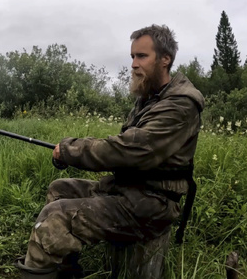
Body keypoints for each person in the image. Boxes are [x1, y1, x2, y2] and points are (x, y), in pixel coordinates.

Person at [15, 24, 205, 278]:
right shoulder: (150, 97)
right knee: (60, 188)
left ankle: (39, 270)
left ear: (165, 59)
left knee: (55, 216)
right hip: (129, 189)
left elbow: (128, 150)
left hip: (152, 202)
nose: (134, 64)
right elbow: (125, 144)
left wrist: (71, 150)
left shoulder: (180, 105)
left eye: (142, 56)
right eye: (132, 57)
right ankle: (65, 268)